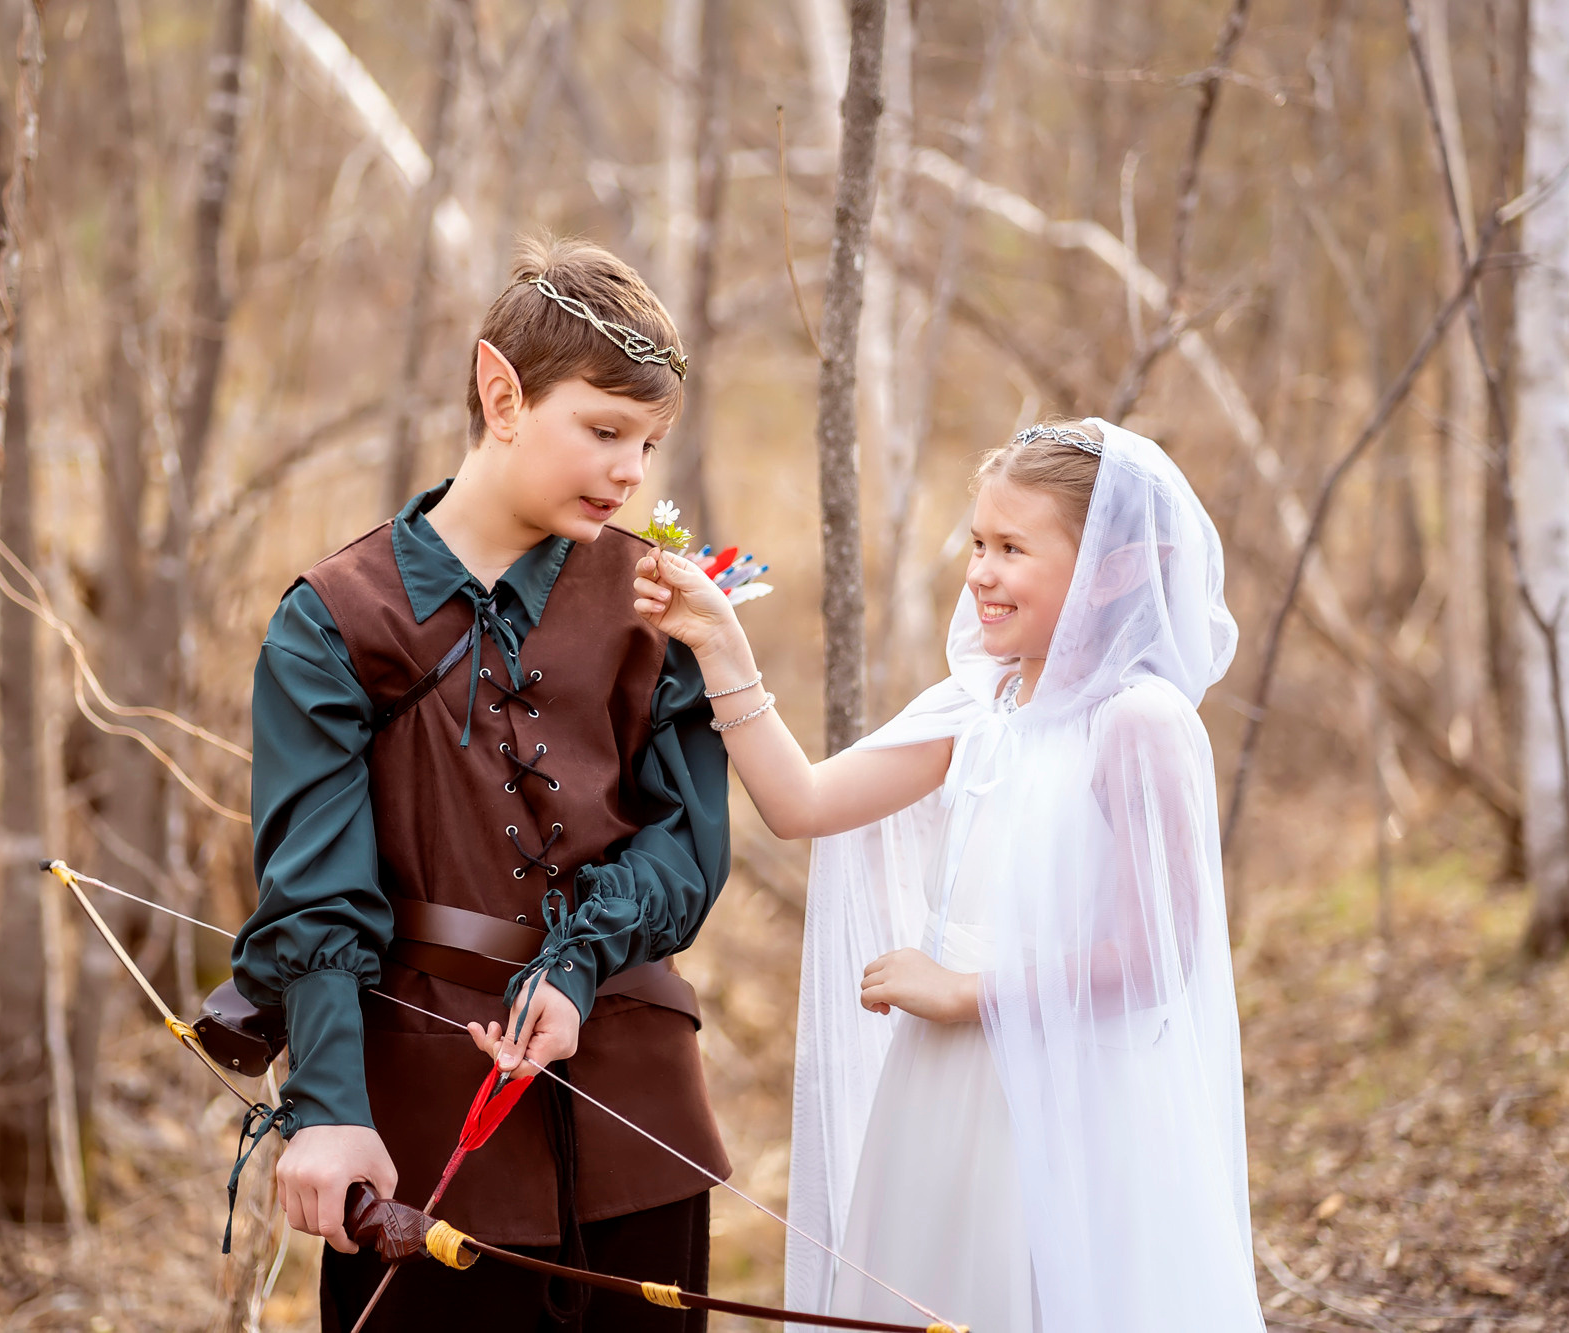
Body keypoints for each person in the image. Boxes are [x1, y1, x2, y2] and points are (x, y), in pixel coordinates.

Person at [634, 418, 1265, 1333]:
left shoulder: (1139, 723)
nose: (980, 572)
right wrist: (720, 643)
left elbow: (1154, 958)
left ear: (1114, 567)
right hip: (938, 1090)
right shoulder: (982, 700)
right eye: (977, 542)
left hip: (1066, 1098)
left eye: (1013, 548)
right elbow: (801, 802)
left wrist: (967, 989)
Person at [233, 234, 731, 1332]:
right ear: (500, 392)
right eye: (602, 430)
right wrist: (326, 1108)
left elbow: (686, 846)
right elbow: (316, 893)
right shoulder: (334, 619)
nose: (628, 472)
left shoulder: (658, 602)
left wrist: (577, 961)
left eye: (646, 443)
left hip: (638, 1117)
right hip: (420, 1133)